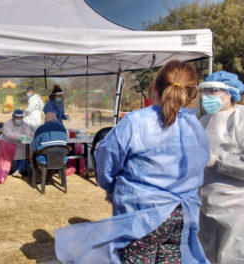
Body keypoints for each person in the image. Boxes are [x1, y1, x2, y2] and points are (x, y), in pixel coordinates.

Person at [55, 60, 210, 263]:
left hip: (141, 217)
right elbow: (199, 166)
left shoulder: (136, 121)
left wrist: (110, 186)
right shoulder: (196, 126)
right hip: (181, 216)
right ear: (192, 93)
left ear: (155, 87)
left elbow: (106, 158)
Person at [197, 71, 244, 264]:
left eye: (213, 91)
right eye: (205, 91)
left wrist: (218, 160)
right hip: (205, 204)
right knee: (206, 255)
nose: (207, 96)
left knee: (232, 257)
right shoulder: (204, 121)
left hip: (236, 207)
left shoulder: (241, 120)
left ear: (229, 93)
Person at [30, 112, 68, 182]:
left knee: (34, 153)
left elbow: (33, 146)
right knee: (55, 153)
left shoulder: (41, 128)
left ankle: (39, 178)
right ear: (56, 119)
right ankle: (49, 177)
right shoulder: (63, 128)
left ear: (45, 120)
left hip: (45, 159)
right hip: (61, 159)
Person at [2, 109, 32, 177]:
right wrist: (21, 136)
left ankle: (19, 170)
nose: (19, 119)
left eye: (20, 118)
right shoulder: (7, 124)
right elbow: (9, 134)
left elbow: (28, 132)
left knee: (27, 150)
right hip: (10, 144)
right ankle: (17, 170)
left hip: (22, 144)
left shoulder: (24, 124)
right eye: (17, 118)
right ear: (13, 117)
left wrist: (24, 136)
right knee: (16, 152)